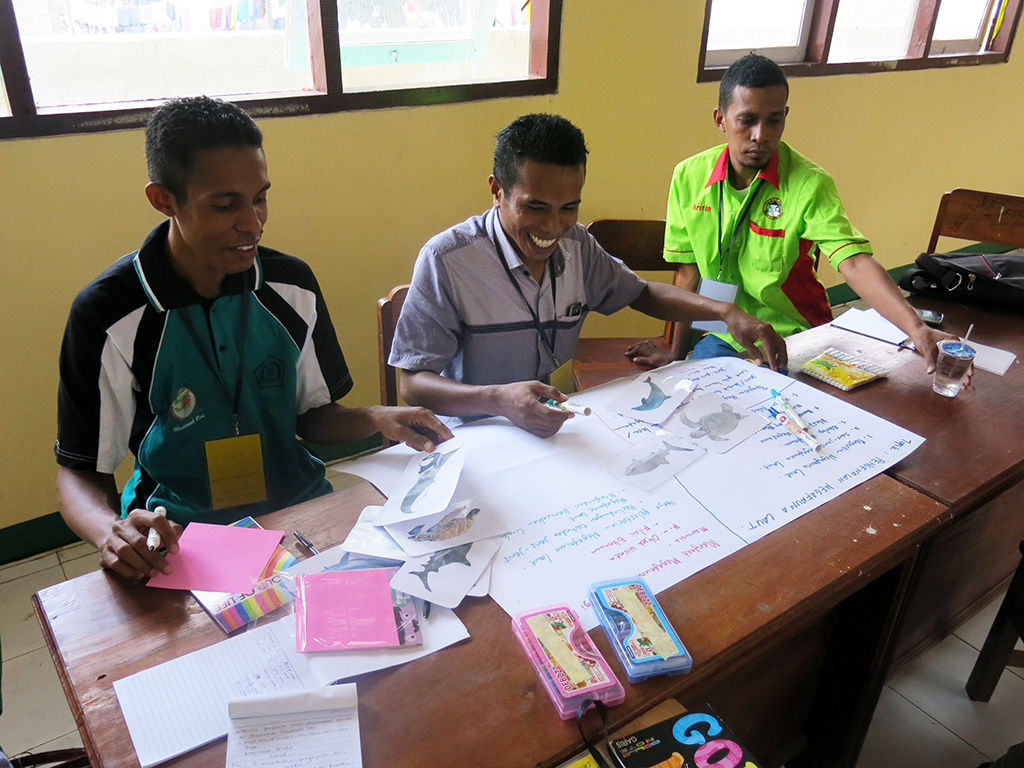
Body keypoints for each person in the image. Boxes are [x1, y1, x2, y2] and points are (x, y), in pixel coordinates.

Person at [55, 96, 451, 581]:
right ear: (164, 200)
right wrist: (110, 531)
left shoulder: (291, 286)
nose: (253, 223)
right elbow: (79, 471)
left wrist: (376, 418)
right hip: (181, 533)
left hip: (299, 512)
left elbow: (313, 418)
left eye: (260, 197)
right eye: (225, 205)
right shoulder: (109, 313)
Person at [389, 113, 787, 439]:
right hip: (478, 432)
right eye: (536, 207)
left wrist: (725, 312)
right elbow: (412, 383)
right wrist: (496, 399)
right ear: (497, 190)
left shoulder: (576, 245)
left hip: (551, 425)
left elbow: (641, 293)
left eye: (569, 208)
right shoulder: (448, 260)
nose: (552, 227)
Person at [625, 53, 957, 376]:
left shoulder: (809, 183)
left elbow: (854, 262)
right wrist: (675, 353)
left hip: (797, 335)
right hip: (727, 332)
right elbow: (689, 273)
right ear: (720, 119)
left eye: (774, 120)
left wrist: (916, 328)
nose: (761, 134)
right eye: (747, 120)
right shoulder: (689, 176)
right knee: (695, 400)